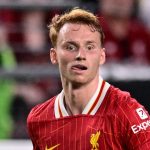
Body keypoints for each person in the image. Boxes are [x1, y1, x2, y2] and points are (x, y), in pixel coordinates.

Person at [27, 8, 150, 150]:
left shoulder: (127, 113)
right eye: (70, 47)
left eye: (90, 47)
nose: (80, 55)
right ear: (54, 55)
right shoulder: (38, 119)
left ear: (102, 56)